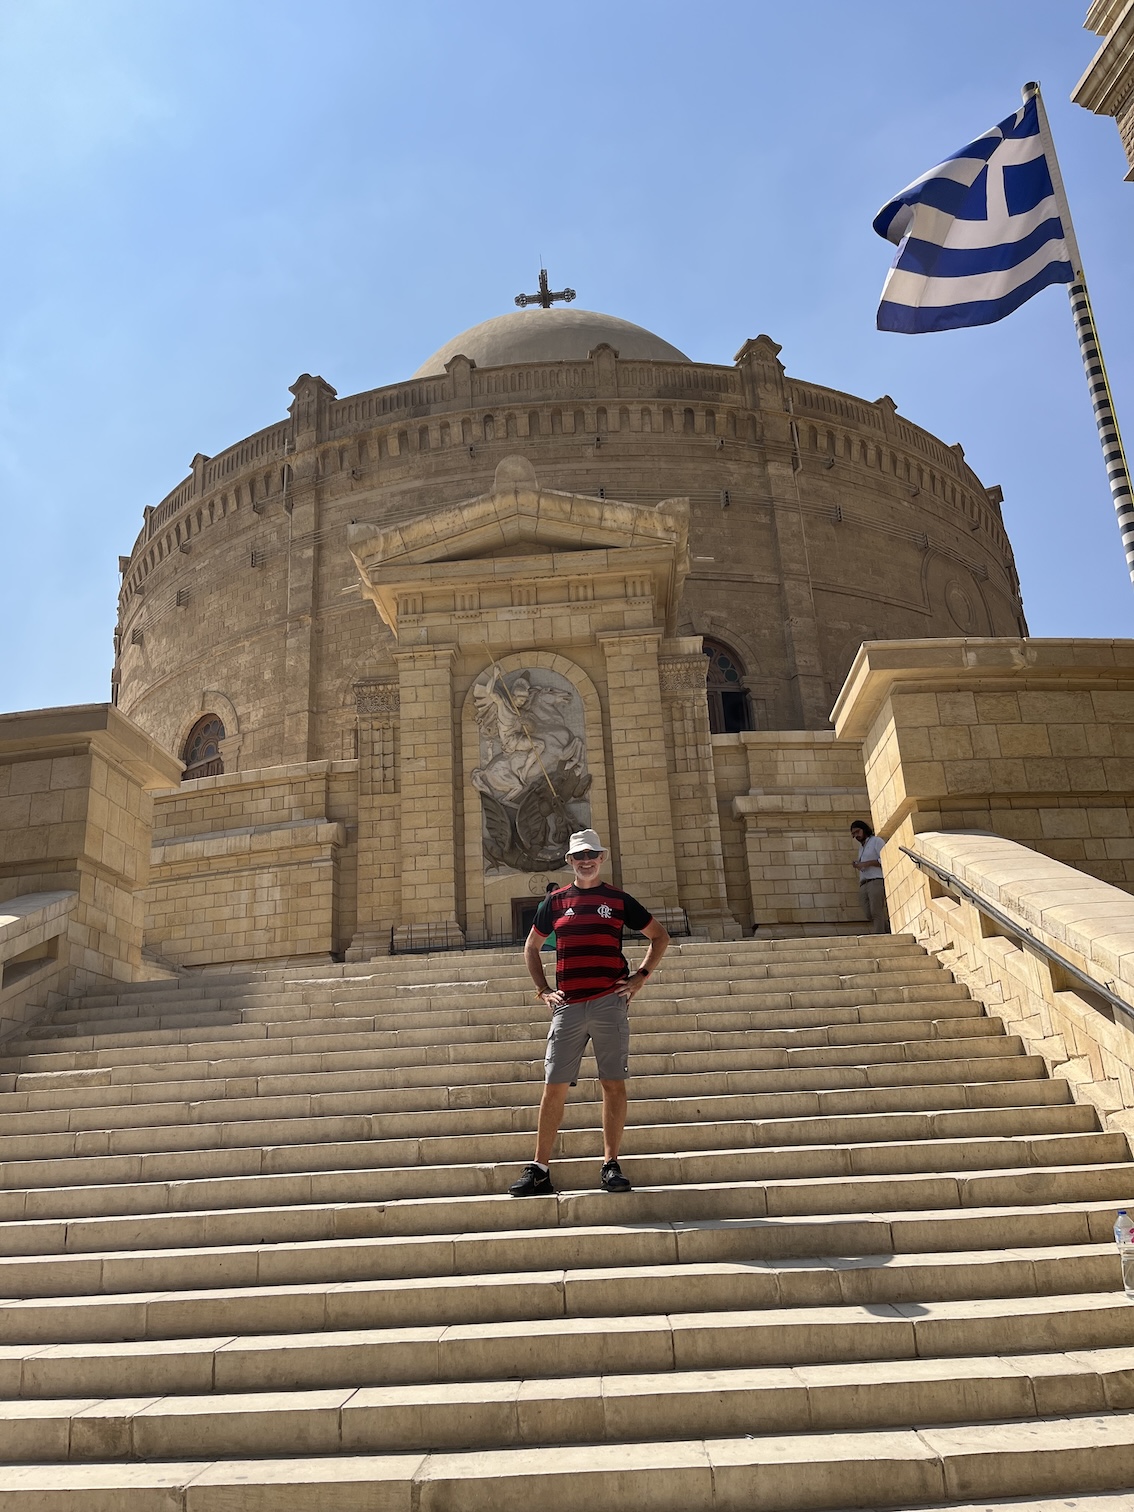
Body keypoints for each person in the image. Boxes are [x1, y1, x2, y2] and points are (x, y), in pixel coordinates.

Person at [509, 829, 670, 1197]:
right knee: (554, 1087)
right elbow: (532, 946)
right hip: (568, 1005)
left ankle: (610, 1164)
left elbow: (659, 936)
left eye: (592, 854)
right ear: (569, 861)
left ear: (602, 857)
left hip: (607, 1002)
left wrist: (640, 978)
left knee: (612, 1083)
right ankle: (540, 1169)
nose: (586, 860)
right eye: (579, 855)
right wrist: (543, 989)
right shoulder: (554, 901)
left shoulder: (617, 899)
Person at [850, 818, 889, 934]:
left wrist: (866, 864)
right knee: (869, 913)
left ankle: (880, 935)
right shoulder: (861, 847)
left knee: (876, 911)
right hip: (864, 883)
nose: (856, 835)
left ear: (864, 829)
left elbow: (885, 859)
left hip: (876, 880)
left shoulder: (876, 841)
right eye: (853, 834)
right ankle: (887, 930)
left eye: (857, 832)